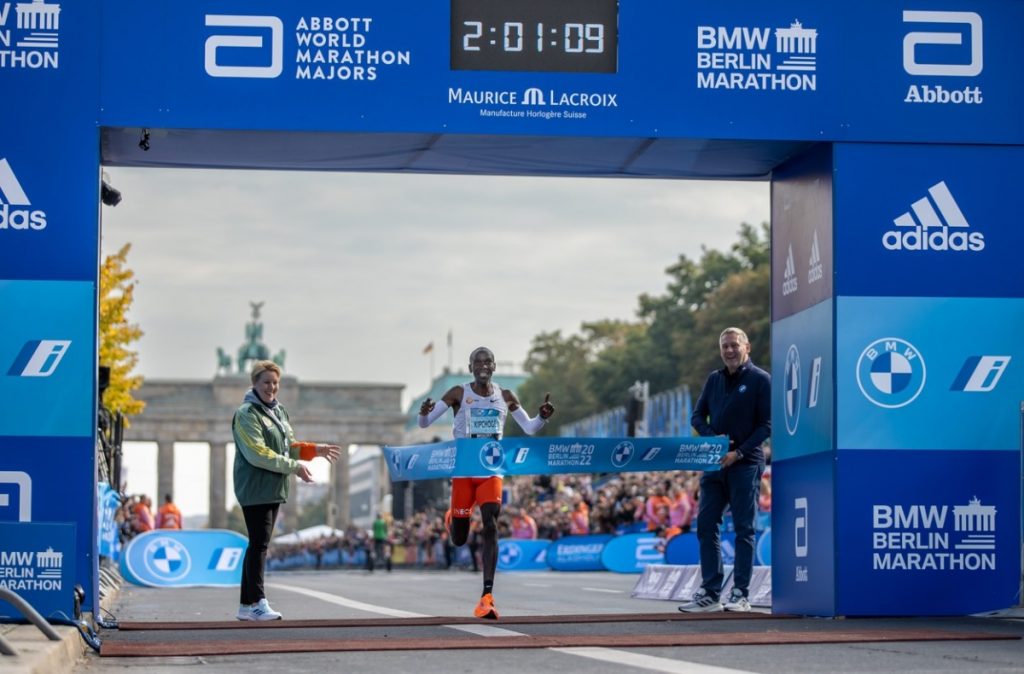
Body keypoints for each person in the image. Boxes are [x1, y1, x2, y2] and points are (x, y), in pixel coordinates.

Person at [418, 346, 554, 619]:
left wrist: (542, 417)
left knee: (491, 523)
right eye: (477, 362)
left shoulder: (505, 396)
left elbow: (528, 427)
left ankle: (487, 595)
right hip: (464, 471)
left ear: (494, 366)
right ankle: (453, 517)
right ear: (470, 368)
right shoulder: (458, 393)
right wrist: (424, 413)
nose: (483, 365)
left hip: (491, 468)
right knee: (458, 539)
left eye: (487, 361)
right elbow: (424, 424)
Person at [232, 359, 341, 621]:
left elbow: (288, 446)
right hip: (255, 486)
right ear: (254, 383)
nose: (271, 388)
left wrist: (314, 450)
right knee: (259, 544)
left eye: (275, 383)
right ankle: (258, 601)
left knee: (258, 544)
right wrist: (295, 467)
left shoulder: (278, 412)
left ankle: (246, 606)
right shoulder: (247, 413)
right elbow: (258, 453)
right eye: (266, 382)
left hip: (274, 486)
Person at [679, 327, 770, 614]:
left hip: (746, 462)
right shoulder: (714, 379)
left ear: (747, 347)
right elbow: (696, 415)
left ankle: (741, 593)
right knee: (706, 525)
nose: (729, 351)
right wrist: (713, 440)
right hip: (714, 463)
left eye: (734, 345)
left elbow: (767, 425)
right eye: (724, 346)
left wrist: (738, 452)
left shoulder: (760, 379)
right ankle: (710, 592)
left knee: (744, 529)